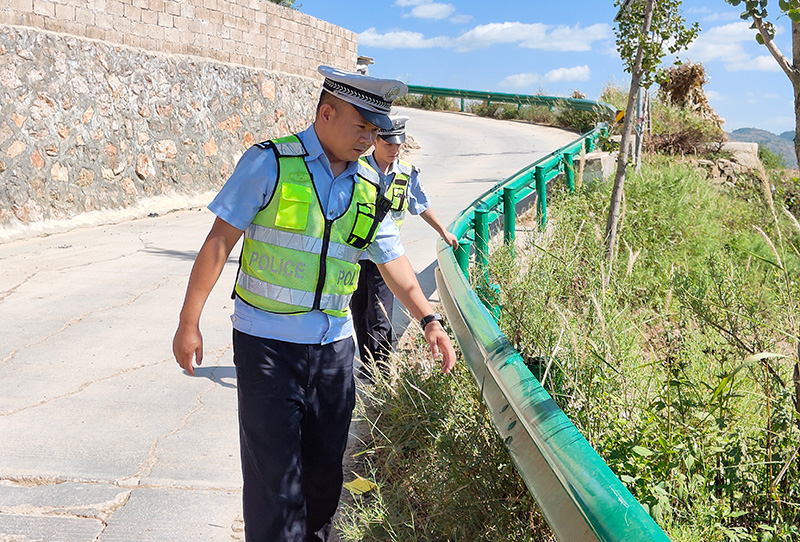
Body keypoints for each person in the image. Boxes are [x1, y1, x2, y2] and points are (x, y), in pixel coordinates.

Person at [172, 66, 456, 542]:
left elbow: (394, 261)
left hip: (334, 352)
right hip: (266, 347)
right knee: (275, 484)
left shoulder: (371, 187)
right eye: (361, 126)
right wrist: (189, 321)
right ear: (326, 113)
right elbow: (219, 241)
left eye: (375, 130)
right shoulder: (271, 163)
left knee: (324, 478)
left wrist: (428, 319)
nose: (369, 139)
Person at [350, 115, 459, 381]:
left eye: (398, 144)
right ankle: (369, 363)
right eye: (389, 144)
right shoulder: (356, 169)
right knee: (359, 310)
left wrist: (442, 230)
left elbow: (421, 205)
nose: (395, 150)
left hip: (387, 260)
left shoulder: (406, 174)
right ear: (375, 141)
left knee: (379, 314)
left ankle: (381, 369)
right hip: (355, 256)